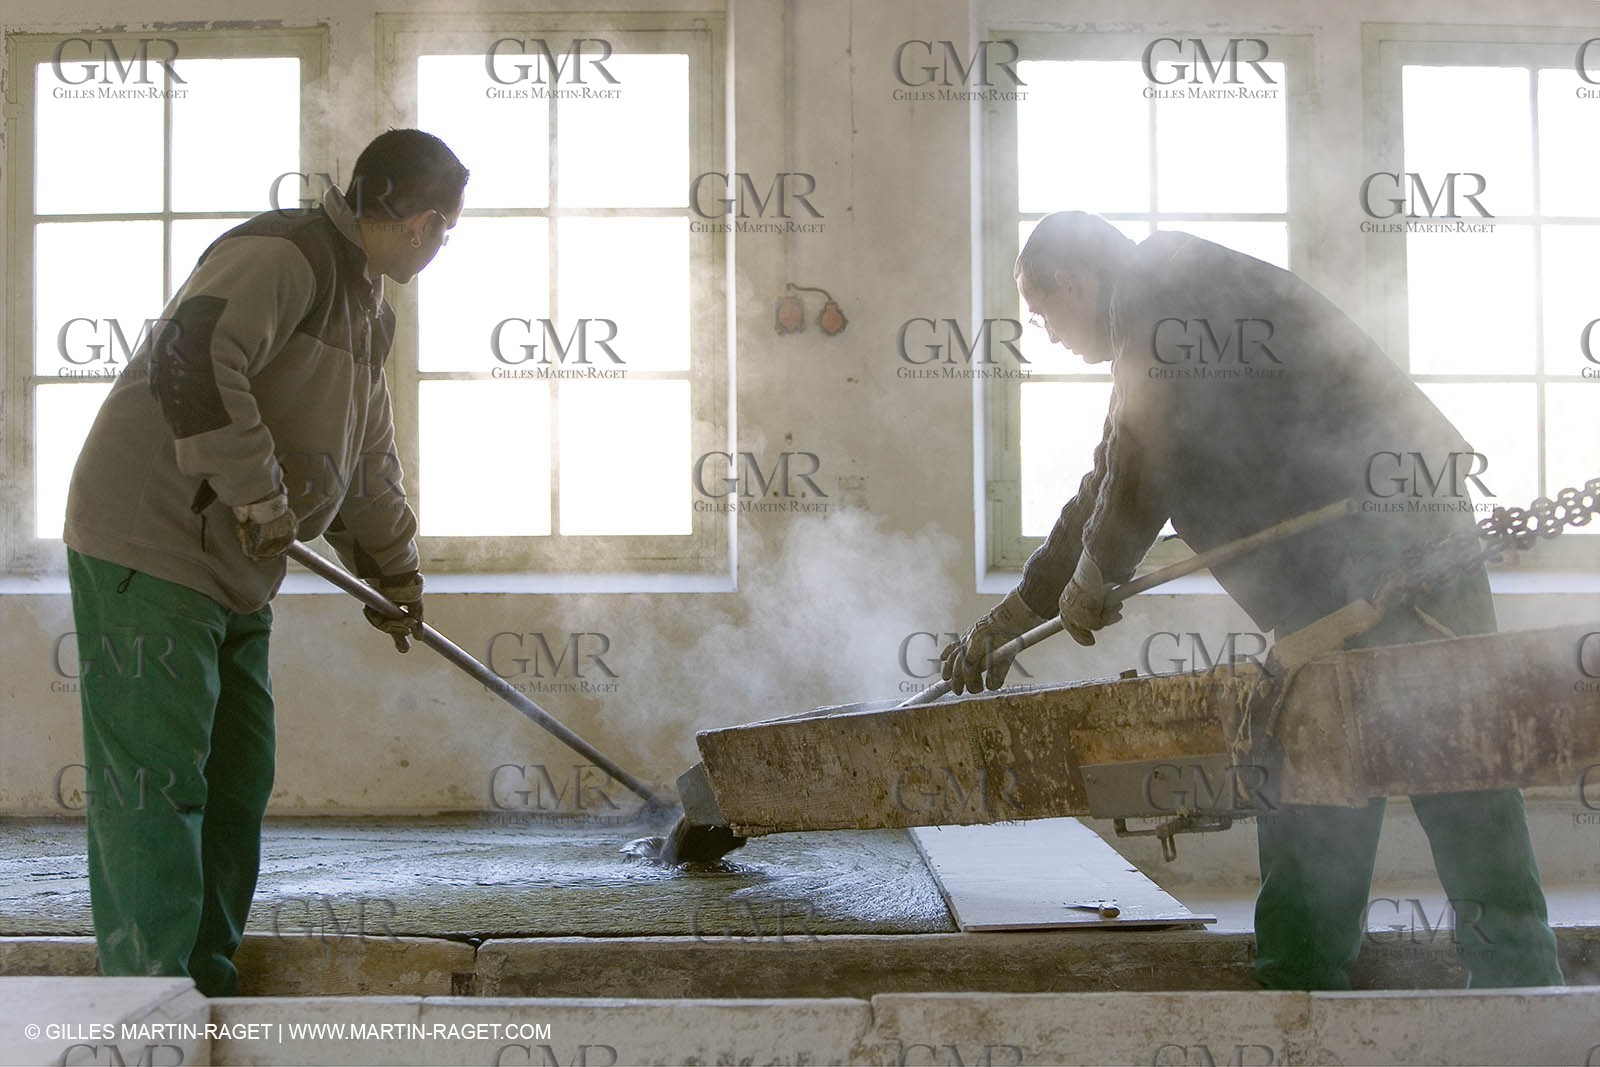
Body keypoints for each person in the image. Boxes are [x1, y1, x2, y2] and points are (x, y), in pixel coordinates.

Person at [941, 210, 1563, 990]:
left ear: (1073, 280)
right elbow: (1111, 475)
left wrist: (1095, 573)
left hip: (1389, 537)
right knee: (1321, 759)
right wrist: (1016, 613)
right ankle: (1325, 982)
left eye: (1043, 314)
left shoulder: (1163, 285)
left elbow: (1141, 453)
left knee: (1445, 751)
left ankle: (1477, 983)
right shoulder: (1157, 313)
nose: (1049, 335)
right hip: (1348, 545)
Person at [62, 128, 467, 995]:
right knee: (159, 781)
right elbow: (192, 356)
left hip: (240, 559)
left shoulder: (369, 311)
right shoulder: (284, 254)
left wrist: (395, 571)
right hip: (154, 536)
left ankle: (203, 984)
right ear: (426, 222)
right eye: (447, 231)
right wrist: (256, 493)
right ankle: (147, 999)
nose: (441, 246)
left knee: (237, 776)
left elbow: (367, 462)